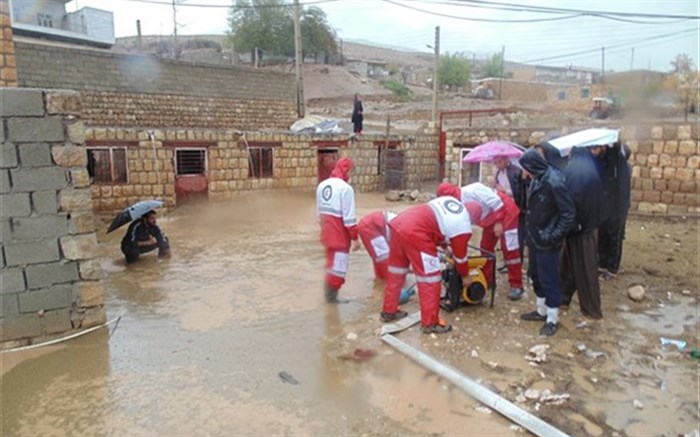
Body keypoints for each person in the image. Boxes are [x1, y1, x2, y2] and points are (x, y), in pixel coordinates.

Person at [380, 192, 473, 334]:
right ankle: (430, 323)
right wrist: (465, 275)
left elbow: (436, 223)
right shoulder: (464, 224)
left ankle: (388, 311)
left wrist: (444, 246)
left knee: (396, 273)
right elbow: (460, 257)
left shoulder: (449, 203)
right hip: (416, 233)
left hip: (399, 225)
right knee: (430, 279)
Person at [518, 148, 575, 336]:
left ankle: (552, 318)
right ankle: (541, 310)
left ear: (532, 166)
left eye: (525, 168)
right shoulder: (536, 180)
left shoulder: (554, 182)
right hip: (535, 237)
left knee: (549, 278)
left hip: (547, 239)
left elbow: (568, 213)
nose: (523, 172)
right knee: (536, 275)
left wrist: (554, 236)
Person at [437, 182, 524, 300]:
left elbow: (497, 203)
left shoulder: (474, 190)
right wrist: (449, 245)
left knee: (510, 250)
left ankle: (516, 285)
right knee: (485, 248)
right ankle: (487, 280)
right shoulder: (456, 204)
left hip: (506, 213)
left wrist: (499, 222)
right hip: (489, 218)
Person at [560, 146, 606, 320]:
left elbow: (573, 198)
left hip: (581, 228)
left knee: (586, 269)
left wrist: (572, 225)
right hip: (585, 225)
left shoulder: (575, 169)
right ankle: (563, 299)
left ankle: (592, 309)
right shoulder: (588, 166)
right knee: (568, 266)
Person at [316, 157, 360, 303]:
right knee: (339, 269)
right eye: (351, 171)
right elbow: (349, 219)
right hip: (340, 237)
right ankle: (331, 301)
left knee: (330, 265)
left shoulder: (322, 185)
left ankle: (327, 298)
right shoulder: (346, 189)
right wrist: (355, 238)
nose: (351, 175)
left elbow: (318, 215)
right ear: (346, 170)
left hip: (326, 234)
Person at [598, 142, 632, 280]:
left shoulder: (622, 168)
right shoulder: (609, 166)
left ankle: (612, 268)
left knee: (614, 237)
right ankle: (602, 264)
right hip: (607, 206)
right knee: (604, 234)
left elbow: (622, 191)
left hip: (617, 208)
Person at [357, 210, 397, 281]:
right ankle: (389, 281)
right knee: (383, 256)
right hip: (370, 226)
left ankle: (380, 280)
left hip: (374, 224)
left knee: (379, 256)